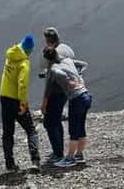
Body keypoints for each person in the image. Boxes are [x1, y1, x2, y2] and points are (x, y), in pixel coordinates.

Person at [39, 27, 87, 163]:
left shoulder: (52, 56)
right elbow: (75, 66)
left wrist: (44, 102)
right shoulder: (67, 49)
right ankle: (68, 152)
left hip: (56, 92)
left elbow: (50, 82)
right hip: (68, 92)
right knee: (59, 120)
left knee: (50, 122)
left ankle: (58, 152)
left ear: (48, 41)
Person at [0, 34, 40, 171]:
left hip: (4, 97)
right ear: (29, 50)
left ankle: (9, 163)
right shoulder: (24, 63)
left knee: (7, 132)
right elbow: (22, 84)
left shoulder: (10, 56)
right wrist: (23, 103)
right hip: (16, 99)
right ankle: (35, 161)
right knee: (31, 130)